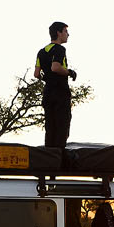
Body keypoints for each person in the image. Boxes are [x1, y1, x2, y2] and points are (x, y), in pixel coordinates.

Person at [34, 20, 77, 148]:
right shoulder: (60, 49)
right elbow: (55, 67)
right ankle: (59, 160)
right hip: (60, 92)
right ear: (58, 33)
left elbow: (37, 74)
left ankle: (49, 159)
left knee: (50, 127)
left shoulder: (41, 51)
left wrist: (48, 78)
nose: (67, 34)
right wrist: (69, 72)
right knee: (62, 127)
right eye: (65, 31)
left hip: (48, 92)